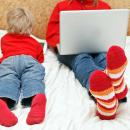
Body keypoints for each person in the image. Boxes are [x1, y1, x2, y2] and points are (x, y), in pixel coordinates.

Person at [46, 0, 128, 120]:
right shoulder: (62, 6)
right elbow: (51, 35)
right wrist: (64, 41)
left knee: (103, 57)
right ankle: (102, 89)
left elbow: (111, 31)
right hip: (72, 50)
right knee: (82, 59)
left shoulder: (104, 6)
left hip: (98, 46)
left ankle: (113, 85)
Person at [0, 8, 46, 127]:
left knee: (7, 80)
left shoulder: (4, 40)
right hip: (29, 60)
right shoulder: (35, 43)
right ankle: (37, 96)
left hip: (9, 62)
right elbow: (40, 59)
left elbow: (5, 52)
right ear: (29, 27)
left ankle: (3, 101)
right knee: (33, 79)